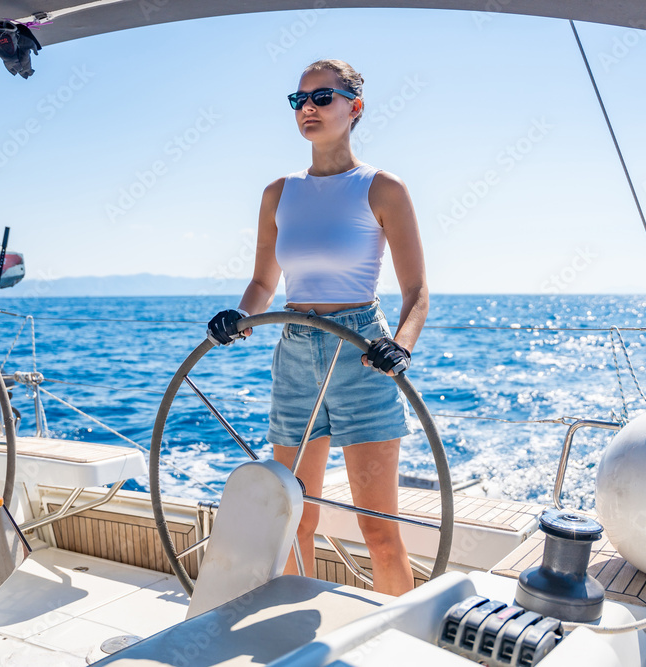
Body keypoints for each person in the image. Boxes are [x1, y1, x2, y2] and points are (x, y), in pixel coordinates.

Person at [207, 59, 427, 596]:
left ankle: (396, 645)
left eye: (322, 97)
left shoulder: (383, 188)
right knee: (294, 517)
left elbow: (417, 292)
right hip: (295, 351)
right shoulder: (278, 193)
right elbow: (263, 282)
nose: (308, 107)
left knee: (378, 529)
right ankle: (291, 632)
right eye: (299, 100)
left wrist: (400, 346)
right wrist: (240, 316)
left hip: (363, 354)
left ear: (354, 107)